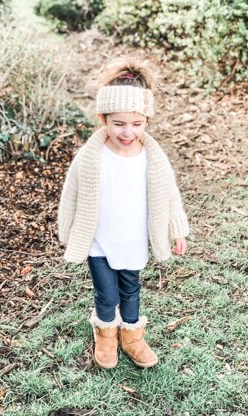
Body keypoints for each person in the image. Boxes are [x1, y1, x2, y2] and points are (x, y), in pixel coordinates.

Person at [58, 58, 189, 369]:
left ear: (146, 120)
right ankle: (105, 335)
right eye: (118, 124)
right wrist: (67, 230)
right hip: (99, 241)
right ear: (103, 119)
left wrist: (177, 228)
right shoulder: (91, 155)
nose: (127, 132)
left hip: (132, 240)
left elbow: (169, 193)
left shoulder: (152, 158)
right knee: (106, 293)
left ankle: (132, 336)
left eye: (137, 123)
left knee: (130, 290)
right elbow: (71, 193)